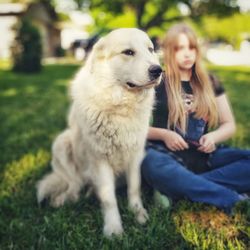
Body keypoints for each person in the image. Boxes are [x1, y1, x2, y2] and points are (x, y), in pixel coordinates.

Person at [141, 23, 250, 213]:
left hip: (203, 158)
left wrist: (213, 138)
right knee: (150, 163)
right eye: (179, 48)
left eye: (191, 47)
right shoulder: (157, 81)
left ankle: (177, 188)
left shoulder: (210, 81)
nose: (187, 53)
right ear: (168, 51)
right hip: (164, 157)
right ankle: (233, 199)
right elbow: (135, 127)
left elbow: (229, 124)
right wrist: (165, 135)